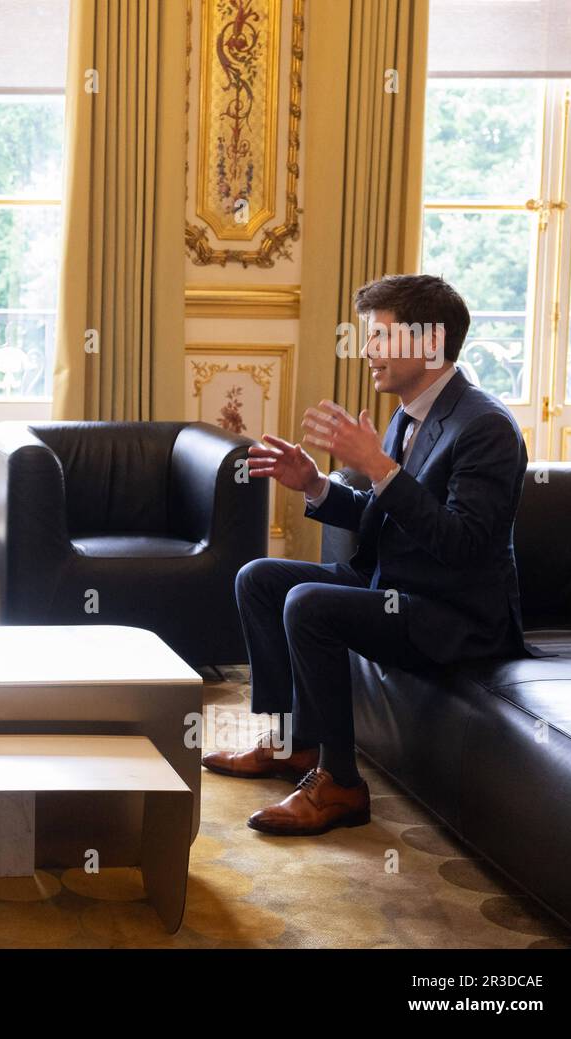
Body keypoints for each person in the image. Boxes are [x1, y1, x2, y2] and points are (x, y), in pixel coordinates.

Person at [203, 274, 528, 835]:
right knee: (259, 577)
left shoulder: (486, 427)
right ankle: (291, 743)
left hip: (454, 613)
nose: (367, 352)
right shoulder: (413, 411)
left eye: (379, 336)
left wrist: (378, 467)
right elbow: (388, 517)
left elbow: (463, 544)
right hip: (394, 588)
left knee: (308, 603)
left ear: (430, 342)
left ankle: (341, 785)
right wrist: (314, 485)